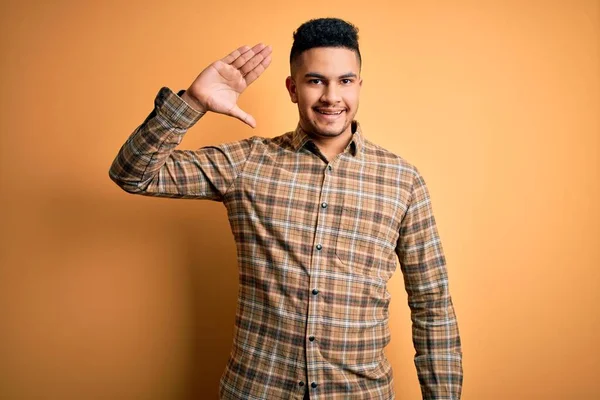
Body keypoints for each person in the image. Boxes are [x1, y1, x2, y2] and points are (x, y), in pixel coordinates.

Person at [109, 17, 462, 400]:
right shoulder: (247, 163)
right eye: (315, 81)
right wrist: (192, 103)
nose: (331, 97)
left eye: (344, 81)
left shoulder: (402, 180)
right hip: (257, 390)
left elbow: (433, 307)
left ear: (359, 86)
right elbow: (133, 174)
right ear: (293, 88)